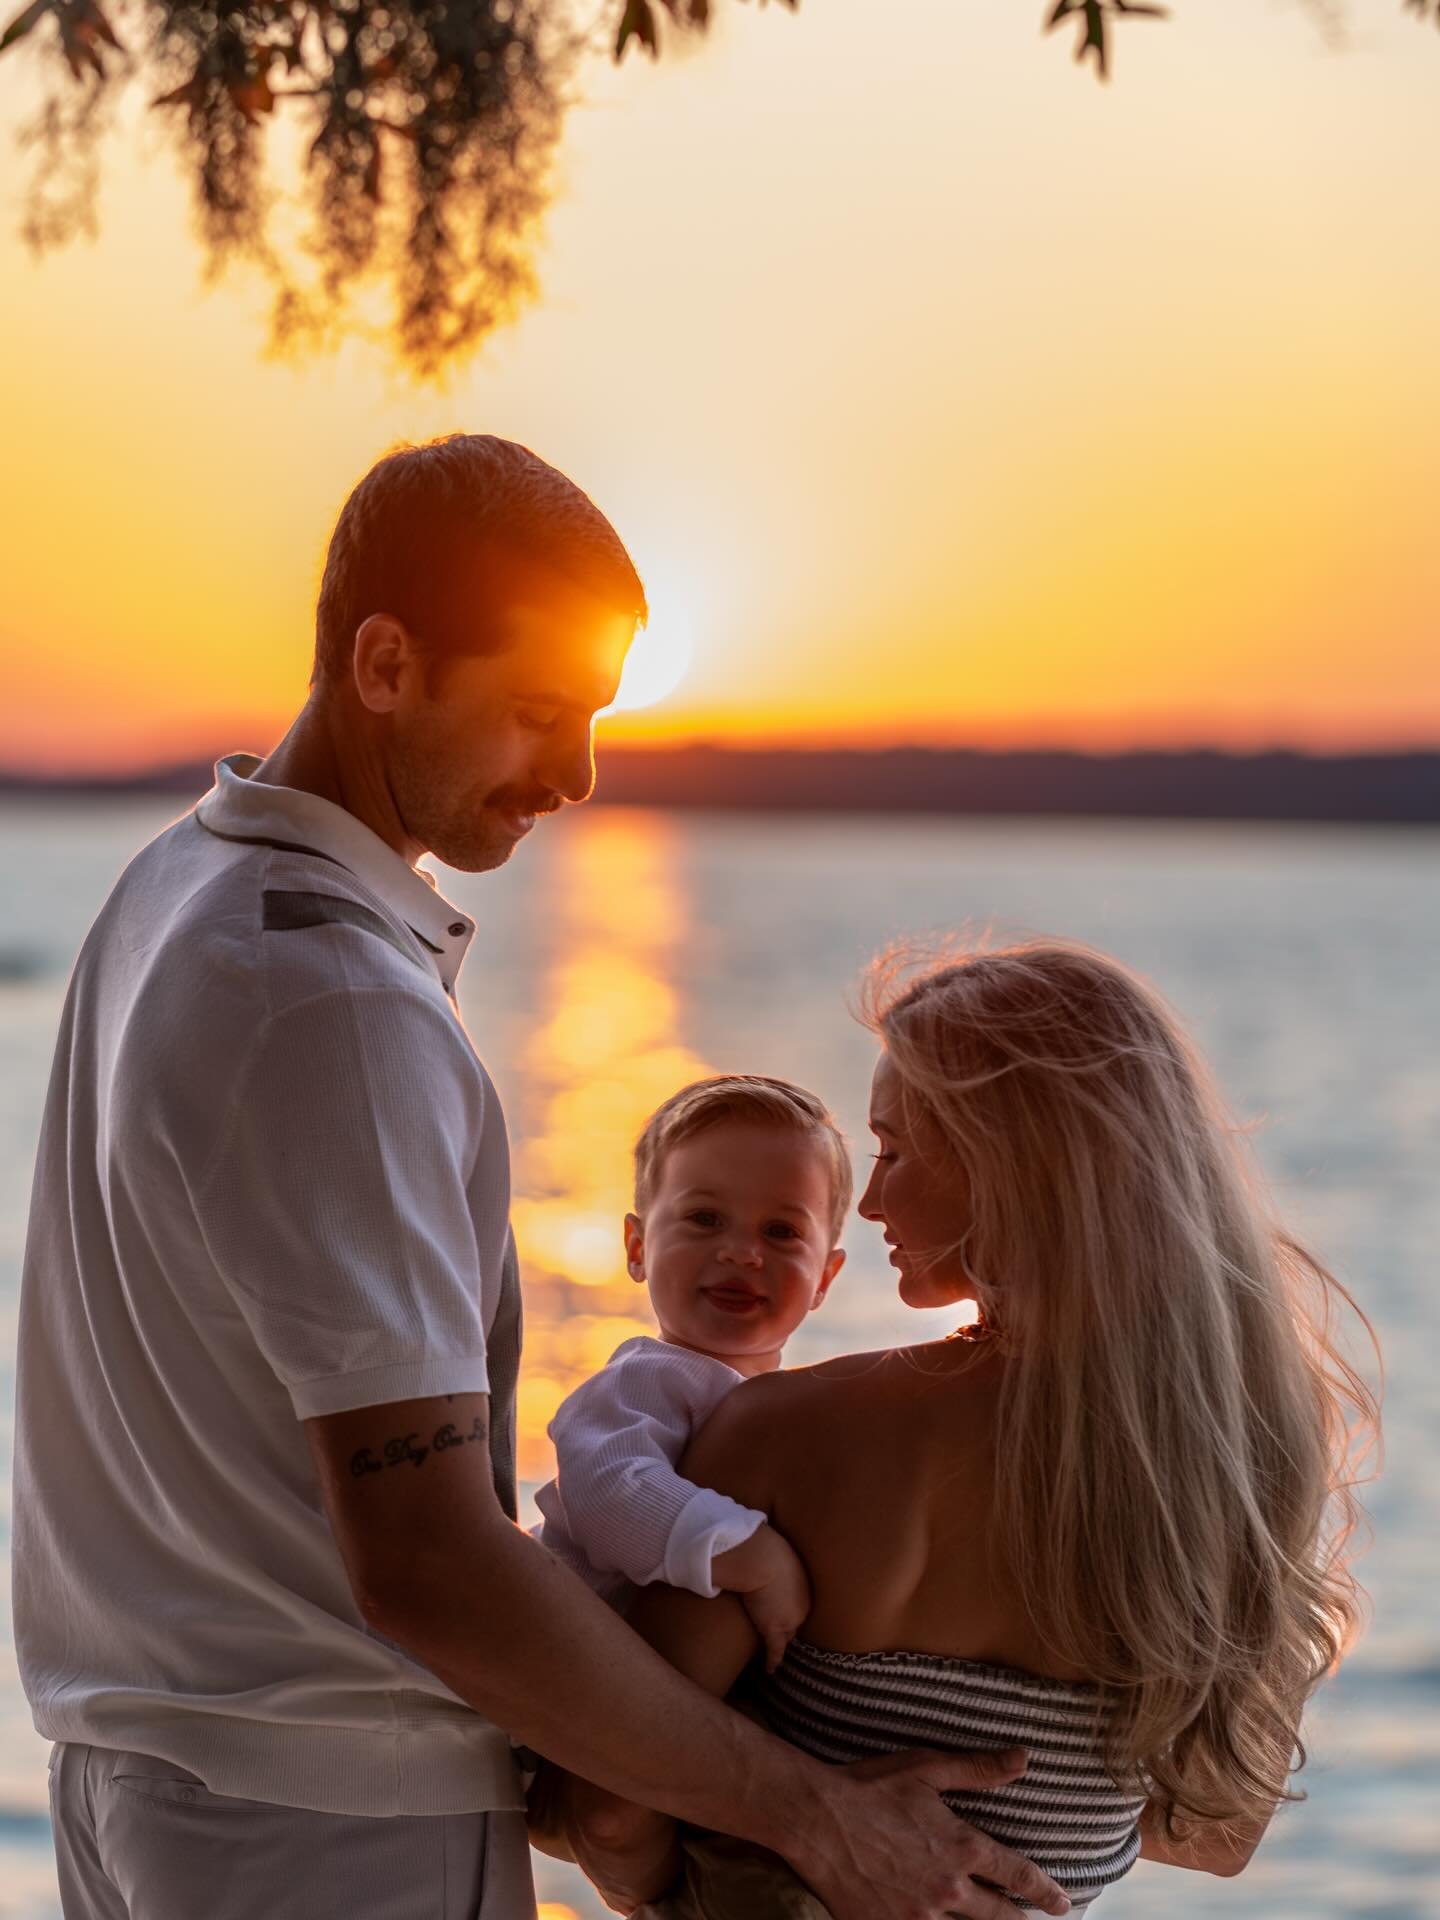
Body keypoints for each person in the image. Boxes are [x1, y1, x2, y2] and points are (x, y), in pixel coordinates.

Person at [12, 435, 1070, 1920]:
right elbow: (428, 1561)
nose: (576, 776)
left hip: (142, 1787)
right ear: (385, 663)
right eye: (536, 714)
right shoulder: (337, 1003)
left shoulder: (178, 885)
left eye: (592, 721)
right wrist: (820, 1818)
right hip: (328, 1831)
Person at [568, 939, 1379, 1918]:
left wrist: (750, 1851)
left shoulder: (785, 1435)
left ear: (1012, 1164)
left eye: (895, 1151)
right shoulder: (1249, 1456)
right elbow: (1219, 1831)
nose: (869, 1202)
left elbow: (608, 1813)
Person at [534, 1075, 850, 1667]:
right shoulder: (645, 1381)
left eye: (780, 1232)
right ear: (637, 1248)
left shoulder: (792, 1404)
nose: (741, 1252)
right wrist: (753, 1556)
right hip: (549, 1669)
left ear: (824, 1279)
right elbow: (605, 1491)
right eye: (705, 1218)